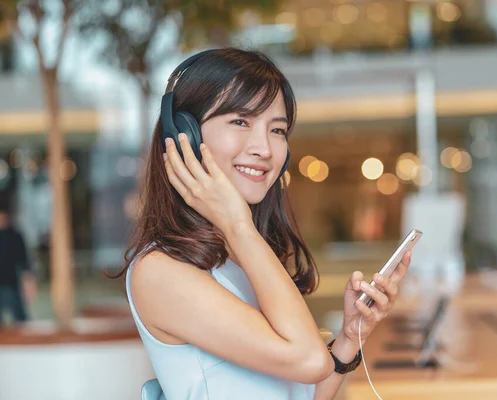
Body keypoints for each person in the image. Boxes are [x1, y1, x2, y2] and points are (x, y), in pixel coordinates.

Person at [115, 48, 412, 400]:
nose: (264, 149)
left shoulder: (241, 255)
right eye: (240, 122)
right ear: (185, 135)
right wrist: (239, 225)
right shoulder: (160, 271)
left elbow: (301, 390)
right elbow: (308, 360)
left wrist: (349, 336)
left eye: (277, 129)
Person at [0, 197, 35, 327]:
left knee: (21, 321)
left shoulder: (14, 235)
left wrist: (29, 282)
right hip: (9, 283)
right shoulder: (15, 235)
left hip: (11, 284)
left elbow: (23, 260)